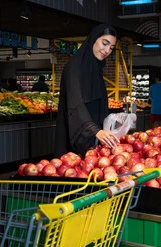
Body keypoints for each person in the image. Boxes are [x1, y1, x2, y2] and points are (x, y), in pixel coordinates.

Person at [54, 24, 119, 157]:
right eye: (104, 43)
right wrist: (94, 130)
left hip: (95, 140)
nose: (107, 50)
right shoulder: (74, 68)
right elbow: (75, 103)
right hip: (78, 138)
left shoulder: (96, 69)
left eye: (111, 47)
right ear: (94, 39)